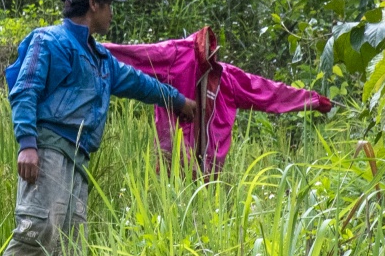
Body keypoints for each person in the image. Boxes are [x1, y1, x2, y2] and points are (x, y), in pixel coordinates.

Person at [0, 0, 196, 256]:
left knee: (69, 245)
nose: (112, 13)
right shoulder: (47, 41)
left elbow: (138, 83)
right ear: (93, 4)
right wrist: (27, 144)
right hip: (48, 151)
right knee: (36, 230)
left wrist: (178, 101)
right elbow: (25, 90)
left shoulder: (102, 59)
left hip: (78, 160)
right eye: (108, 5)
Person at [106, 27, 333, 174]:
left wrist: (312, 100)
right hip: (173, 165)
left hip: (210, 175)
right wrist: (90, 49)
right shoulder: (175, 54)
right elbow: (132, 54)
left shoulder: (227, 78)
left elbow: (270, 92)